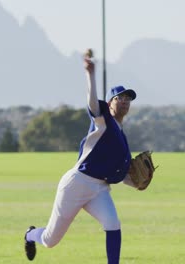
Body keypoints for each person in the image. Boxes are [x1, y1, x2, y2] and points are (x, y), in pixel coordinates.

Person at [24, 52, 137, 263]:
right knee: (50, 240)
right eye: (119, 97)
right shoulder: (102, 120)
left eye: (128, 98)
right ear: (110, 102)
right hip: (76, 183)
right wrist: (90, 75)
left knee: (113, 224)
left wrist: (135, 183)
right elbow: (92, 102)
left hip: (99, 189)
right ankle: (30, 235)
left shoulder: (122, 140)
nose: (124, 101)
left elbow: (118, 174)